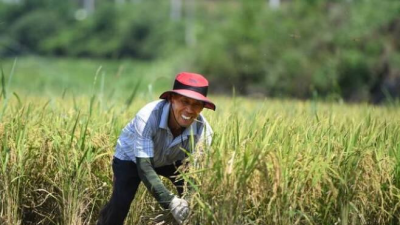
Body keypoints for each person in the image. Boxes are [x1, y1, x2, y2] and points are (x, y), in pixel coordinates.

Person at [97, 72, 215, 225]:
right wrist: (170, 201)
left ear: (203, 107)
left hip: (174, 159)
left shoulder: (204, 132)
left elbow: (195, 176)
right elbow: (144, 166)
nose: (189, 110)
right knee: (120, 204)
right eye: (184, 101)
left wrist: (187, 201)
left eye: (196, 104)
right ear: (172, 99)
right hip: (132, 158)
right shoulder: (147, 117)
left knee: (193, 204)